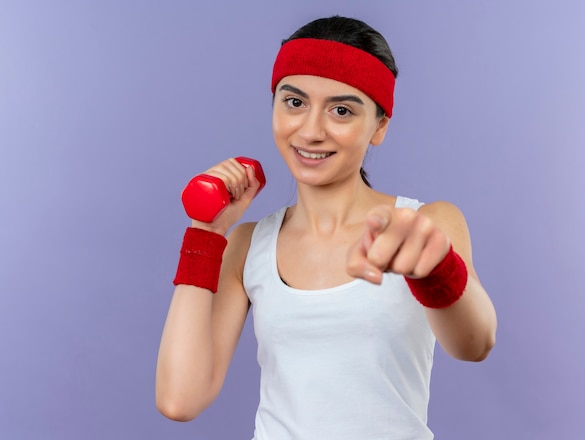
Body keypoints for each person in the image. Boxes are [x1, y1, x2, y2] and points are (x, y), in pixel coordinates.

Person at [156, 16, 497, 440]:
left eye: (341, 110)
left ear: (380, 126)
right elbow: (179, 399)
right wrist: (204, 237)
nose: (311, 130)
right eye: (294, 102)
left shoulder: (427, 223)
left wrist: (434, 267)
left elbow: (475, 344)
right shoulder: (248, 245)